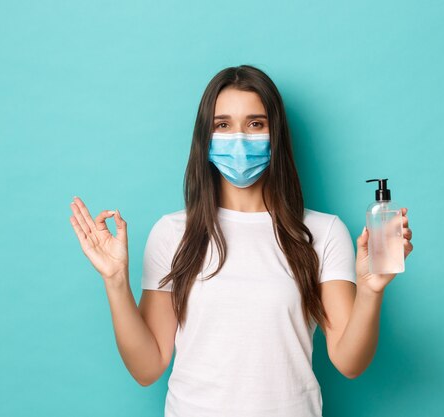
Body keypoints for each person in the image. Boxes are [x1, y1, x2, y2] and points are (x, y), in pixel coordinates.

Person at [69, 64, 414, 417]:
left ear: (275, 134)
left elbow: (349, 362)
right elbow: (147, 367)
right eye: (222, 125)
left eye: (255, 124)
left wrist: (372, 291)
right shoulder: (173, 233)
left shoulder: (322, 232)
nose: (239, 139)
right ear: (205, 138)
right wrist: (115, 282)